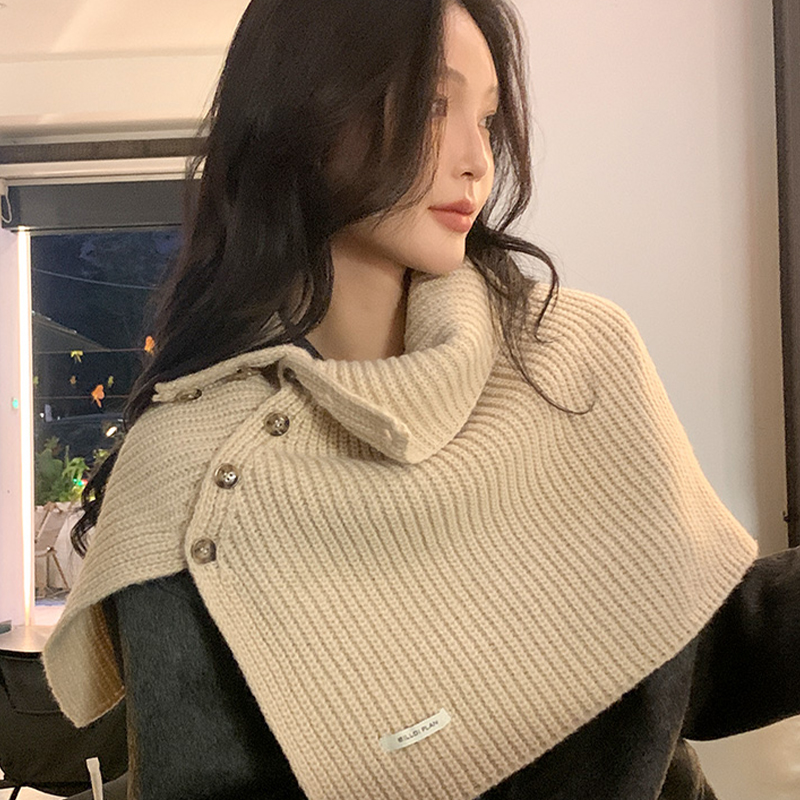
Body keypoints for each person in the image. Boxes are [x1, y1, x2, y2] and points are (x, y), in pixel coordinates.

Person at [42, 0, 800, 798]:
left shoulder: (573, 355)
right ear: (306, 108)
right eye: (435, 106)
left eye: (488, 119)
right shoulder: (192, 471)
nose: (478, 161)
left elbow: (705, 656)